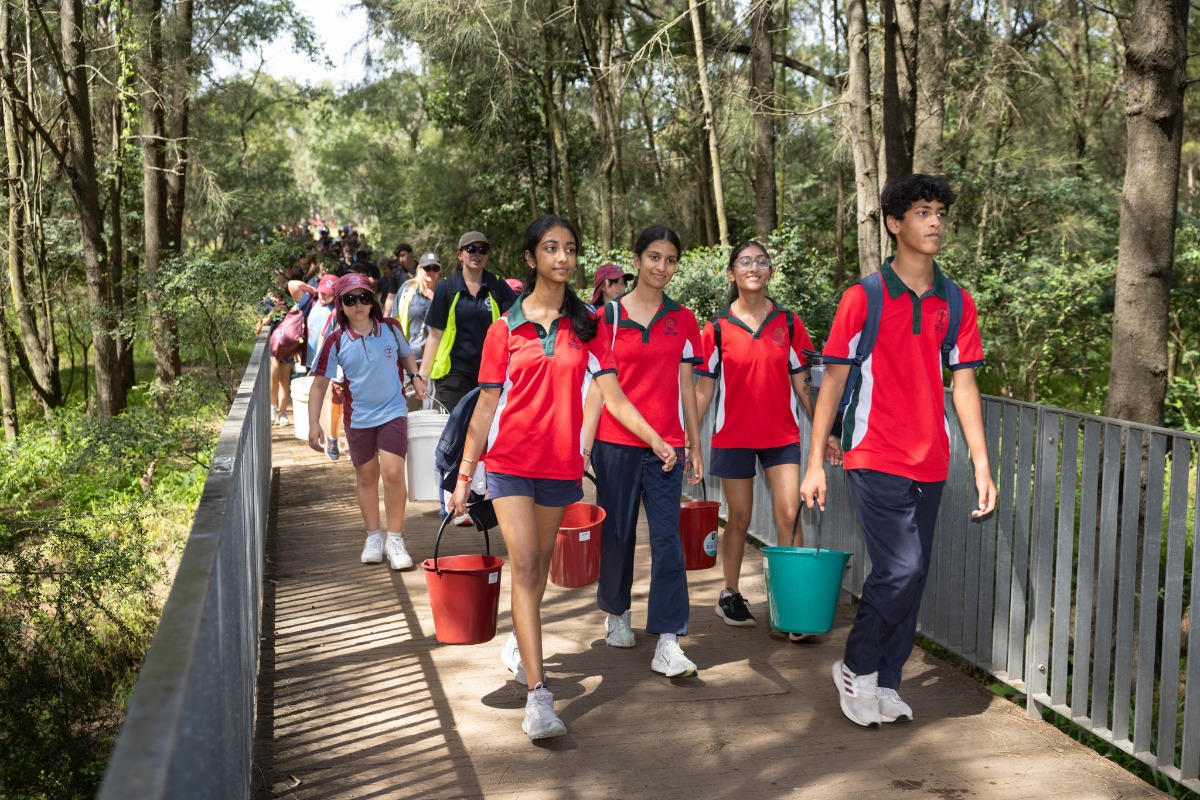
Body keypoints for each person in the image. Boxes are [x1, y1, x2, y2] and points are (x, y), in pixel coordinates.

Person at [447, 215, 677, 741]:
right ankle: (539, 696)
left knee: (537, 575)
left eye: (570, 249)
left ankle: (520, 640)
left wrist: (658, 438)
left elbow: (614, 396)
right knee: (525, 565)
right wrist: (464, 476)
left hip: (559, 468)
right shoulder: (505, 328)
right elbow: (484, 410)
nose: (563, 258)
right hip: (508, 466)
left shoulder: (589, 326)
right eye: (551, 248)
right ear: (531, 259)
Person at [799, 174, 997, 728]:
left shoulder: (957, 302)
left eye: (940, 212)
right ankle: (856, 668)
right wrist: (815, 461)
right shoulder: (863, 297)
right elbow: (832, 382)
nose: (934, 221)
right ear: (894, 223)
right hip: (872, 453)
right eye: (921, 212)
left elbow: (964, 386)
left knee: (913, 576)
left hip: (932, 459)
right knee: (900, 567)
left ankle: (887, 682)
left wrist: (981, 464)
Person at [584, 225, 705, 678]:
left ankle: (669, 638)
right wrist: (583, 445)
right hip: (615, 444)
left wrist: (693, 444)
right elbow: (599, 390)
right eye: (654, 257)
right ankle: (616, 611)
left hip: (668, 447)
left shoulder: (685, 319)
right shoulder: (607, 318)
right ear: (636, 260)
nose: (662, 267)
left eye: (671, 259)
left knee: (668, 540)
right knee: (616, 533)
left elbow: (686, 386)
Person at [694, 241, 820, 631]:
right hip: (732, 436)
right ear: (732, 273)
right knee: (741, 517)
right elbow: (702, 390)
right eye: (745, 262)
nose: (754, 267)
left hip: (782, 435)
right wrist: (687, 438)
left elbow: (804, 385)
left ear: (770, 272)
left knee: (789, 513)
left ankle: (791, 604)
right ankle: (729, 595)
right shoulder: (715, 327)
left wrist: (827, 432)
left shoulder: (789, 322)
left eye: (761, 262)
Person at [308, 273, 428, 570]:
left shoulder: (390, 328)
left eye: (363, 297)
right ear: (341, 305)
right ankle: (373, 537)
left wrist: (415, 376)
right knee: (366, 476)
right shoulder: (336, 341)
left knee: (393, 472)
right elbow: (319, 384)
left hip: (393, 411)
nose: (358, 304)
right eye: (350, 299)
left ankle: (395, 538)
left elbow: (405, 356)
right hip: (359, 418)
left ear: (372, 300)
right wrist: (314, 423)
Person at [418, 231, 519, 414]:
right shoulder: (447, 287)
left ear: (487, 255)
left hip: (490, 376)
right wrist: (423, 375)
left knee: (485, 437)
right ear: (460, 254)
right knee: (455, 436)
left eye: (482, 249)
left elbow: (519, 320)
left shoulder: (497, 285)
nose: (477, 254)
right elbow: (435, 334)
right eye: (471, 249)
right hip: (453, 376)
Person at [289, 273, 345, 460]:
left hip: (337, 364)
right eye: (322, 292)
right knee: (320, 397)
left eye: (328, 293)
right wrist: (312, 289)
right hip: (313, 362)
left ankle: (334, 437)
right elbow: (292, 284)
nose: (323, 296)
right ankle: (321, 431)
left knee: (337, 401)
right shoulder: (311, 302)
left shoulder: (340, 309)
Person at [394, 252, 441, 409]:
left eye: (435, 268)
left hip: (436, 360)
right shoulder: (407, 291)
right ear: (419, 269)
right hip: (410, 358)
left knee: (433, 409)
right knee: (409, 407)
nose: (431, 272)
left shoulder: (443, 292)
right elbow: (395, 321)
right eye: (427, 268)